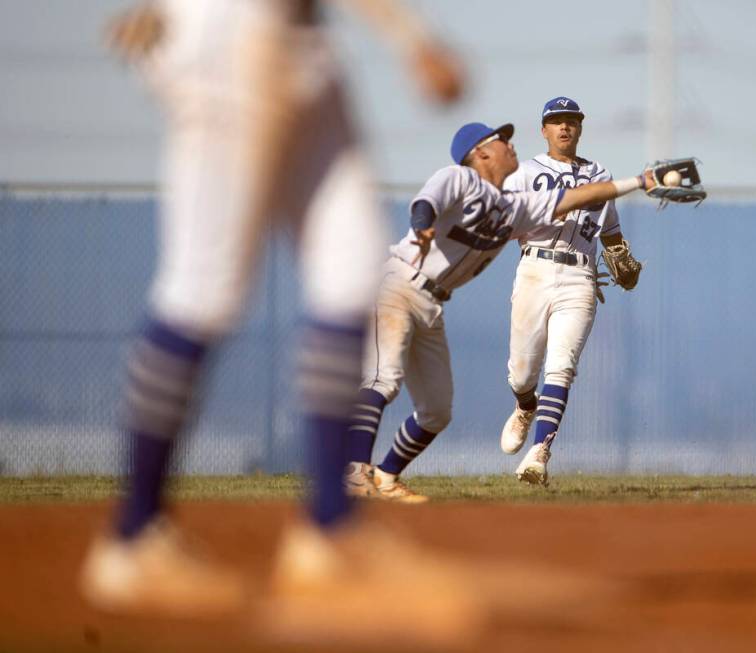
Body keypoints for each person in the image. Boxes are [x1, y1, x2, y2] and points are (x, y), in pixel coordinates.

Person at [78, 0, 478, 645]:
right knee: (203, 287)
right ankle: (132, 540)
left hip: (298, 42)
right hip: (235, 40)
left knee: (350, 273)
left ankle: (330, 533)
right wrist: (411, 36)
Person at [343, 119, 657, 503]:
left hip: (433, 302)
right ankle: (354, 472)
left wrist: (641, 182)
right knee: (383, 379)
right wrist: (423, 228)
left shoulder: (515, 208)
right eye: (501, 140)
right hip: (398, 286)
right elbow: (426, 203)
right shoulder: (459, 179)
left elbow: (573, 199)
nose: (511, 144)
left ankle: (387, 476)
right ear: (480, 153)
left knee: (436, 412)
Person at [500, 96, 644, 486]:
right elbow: (509, 224)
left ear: (580, 128)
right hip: (535, 268)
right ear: (543, 130)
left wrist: (620, 256)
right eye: (556, 121)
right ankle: (525, 404)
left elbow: (611, 231)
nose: (565, 127)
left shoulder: (600, 173)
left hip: (580, 276)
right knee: (521, 372)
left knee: (561, 366)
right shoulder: (525, 172)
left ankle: (540, 452)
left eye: (572, 121)